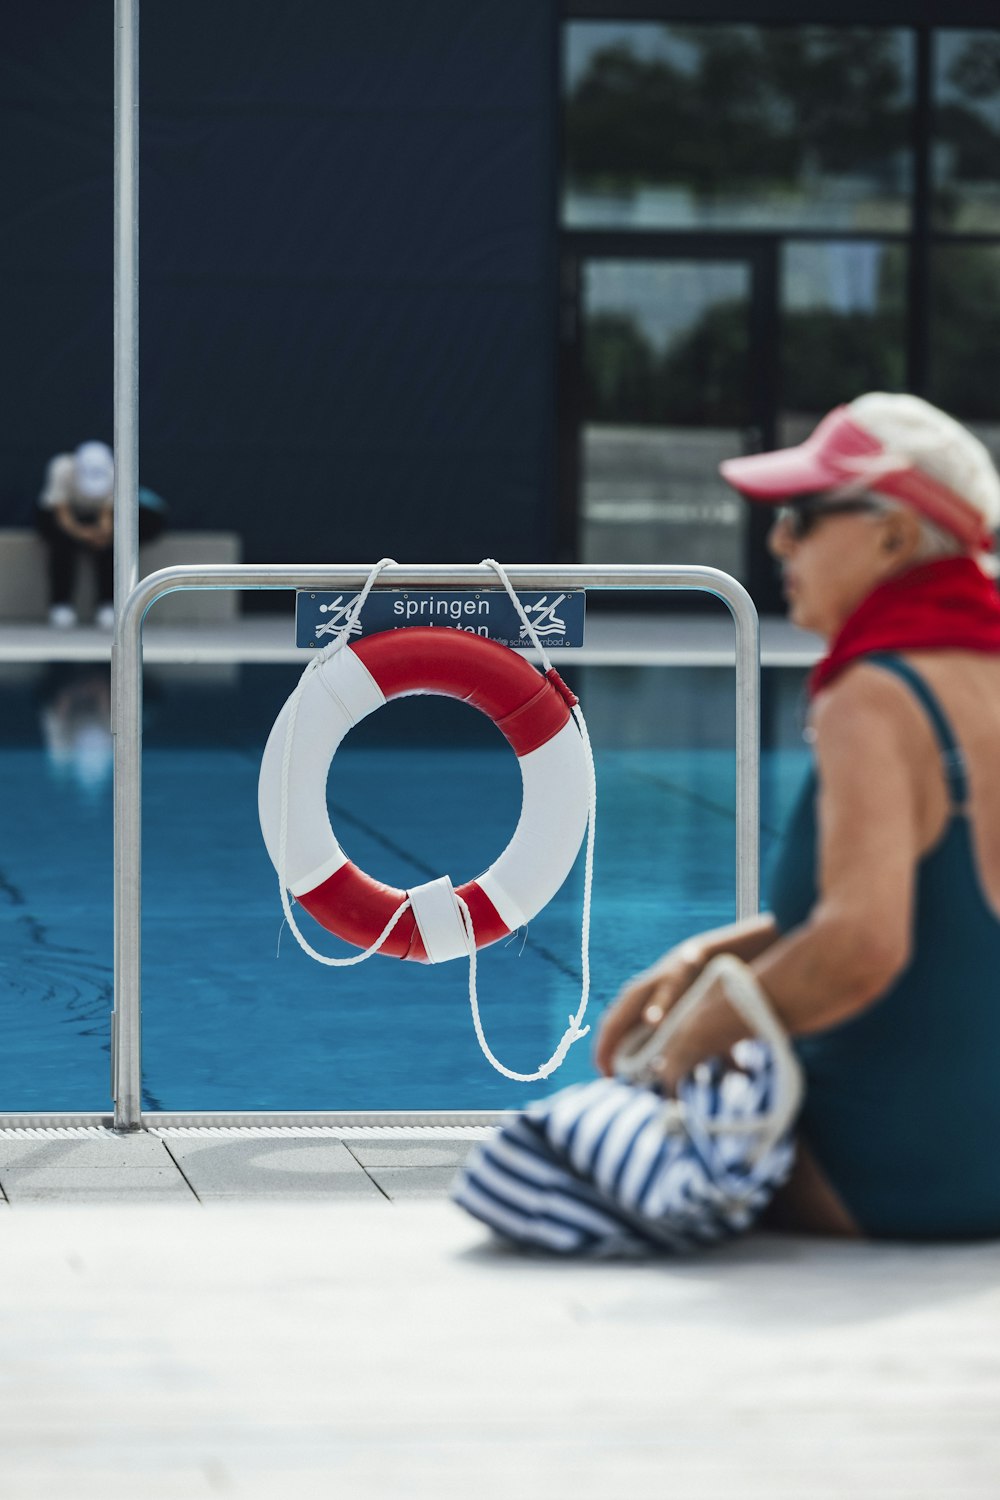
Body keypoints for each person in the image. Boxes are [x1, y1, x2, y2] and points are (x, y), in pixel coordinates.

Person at [596, 392, 1000, 1241]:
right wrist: (714, 954)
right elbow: (946, 916)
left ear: (893, 537)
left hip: (900, 1171)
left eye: (805, 516)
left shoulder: (878, 698)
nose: (779, 541)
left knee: (560, 1146)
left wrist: (700, 1033)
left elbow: (863, 941)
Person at [36, 441, 167, 628]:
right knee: (61, 547)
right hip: (66, 518)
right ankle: (60, 604)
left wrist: (102, 533)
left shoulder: (118, 471)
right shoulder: (62, 468)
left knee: (112, 547)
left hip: (99, 518)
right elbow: (61, 513)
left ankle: (108, 604)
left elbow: (107, 515)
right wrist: (83, 534)